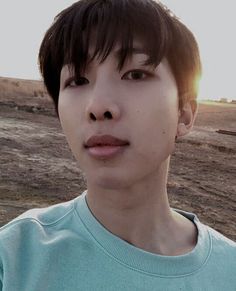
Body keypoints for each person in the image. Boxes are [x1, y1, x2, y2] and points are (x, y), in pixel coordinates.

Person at [0, 0, 235, 290]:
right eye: (77, 80)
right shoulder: (14, 259)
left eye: (135, 74)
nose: (98, 106)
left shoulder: (229, 270)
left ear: (184, 113)